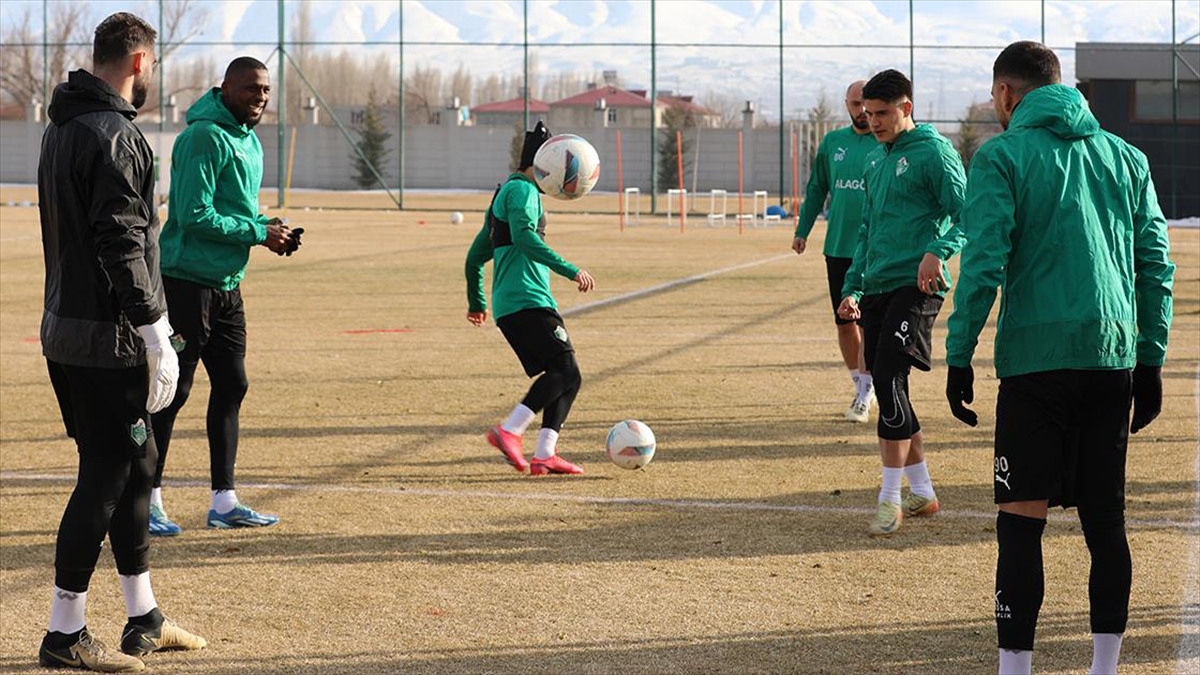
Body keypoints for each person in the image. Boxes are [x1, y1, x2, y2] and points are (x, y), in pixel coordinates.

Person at [944, 41, 1174, 675]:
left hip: (1035, 365)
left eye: (995, 97)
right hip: (1111, 357)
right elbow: (1155, 265)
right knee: (1106, 521)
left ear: (1007, 95)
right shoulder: (1127, 157)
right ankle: (1103, 669)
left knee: (1021, 522)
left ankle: (1014, 670)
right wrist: (1150, 360)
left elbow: (985, 260)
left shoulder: (1002, 155)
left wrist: (959, 354)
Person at [36, 12, 207, 671]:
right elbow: (122, 243)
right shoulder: (112, 134)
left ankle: (145, 616)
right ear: (139, 62)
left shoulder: (63, 126)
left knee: (138, 464)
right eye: (154, 65)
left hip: (68, 332)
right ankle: (64, 633)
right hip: (106, 342)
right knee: (106, 474)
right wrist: (154, 328)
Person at [149, 56, 299, 535]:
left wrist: (269, 230)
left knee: (233, 384)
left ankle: (224, 501)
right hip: (187, 282)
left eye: (267, 91)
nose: (261, 97)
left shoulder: (248, 139)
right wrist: (257, 232)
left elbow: (236, 212)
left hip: (227, 286)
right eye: (252, 88)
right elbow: (193, 215)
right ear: (226, 88)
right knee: (174, 392)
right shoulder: (202, 137)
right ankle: (147, 498)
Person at [836, 69, 966, 536]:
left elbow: (967, 214)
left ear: (906, 108)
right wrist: (852, 286)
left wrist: (938, 250)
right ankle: (924, 492)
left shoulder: (934, 153)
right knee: (892, 387)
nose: (873, 121)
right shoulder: (875, 160)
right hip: (876, 287)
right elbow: (866, 231)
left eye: (882, 113)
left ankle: (889, 499)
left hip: (918, 286)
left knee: (887, 376)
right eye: (867, 113)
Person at [465, 121, 596, 476]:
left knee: (569, 375)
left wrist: (477, 302)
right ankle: (509, 430)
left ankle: (545, 454)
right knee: (564, 369)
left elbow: (476, 256)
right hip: (527, 300)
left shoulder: (505, 193)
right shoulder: (522, 192)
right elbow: (524, 238)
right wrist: (569, 269)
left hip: (516, 305)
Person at [792, 79, 879, 423]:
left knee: (870, 323)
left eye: (866, 105)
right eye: (855, 104)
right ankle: (862, 385)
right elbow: (817, 188)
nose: (861, 111)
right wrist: (802, 230)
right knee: (846, 323)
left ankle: (866, 392)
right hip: (839, 247)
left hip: (874, 249)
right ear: (847, 103)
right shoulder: (833, 143)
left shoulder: (884, 143)